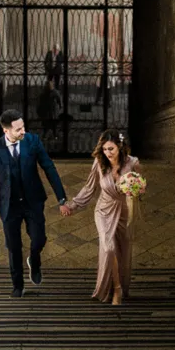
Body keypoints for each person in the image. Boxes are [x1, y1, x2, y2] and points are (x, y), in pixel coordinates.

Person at [0, 109, 68, 297]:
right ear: (6, 130)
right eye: (18, 129)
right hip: (9, 205)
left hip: (33, 200)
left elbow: (49, 167)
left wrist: (61, 198)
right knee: (13, 247)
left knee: (39, 239)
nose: (23, 131)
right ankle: (18, 286)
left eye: (23, 127)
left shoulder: (33, 141)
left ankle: (34, 260)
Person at [60, 129, 141, 305]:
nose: (107, 153)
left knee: (123, 251)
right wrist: (72, 205)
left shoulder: (133, 163)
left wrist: (136, 189)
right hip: (103, 211)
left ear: (120, 147)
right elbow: (89, 188)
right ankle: (116, 290)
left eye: (111, 149)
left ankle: (118, 286)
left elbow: (140, 187)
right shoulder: (99, 162)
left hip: (124, 211)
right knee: (109, 247)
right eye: (104, 149)